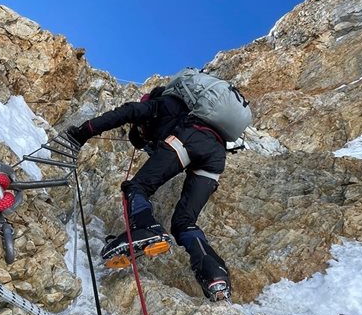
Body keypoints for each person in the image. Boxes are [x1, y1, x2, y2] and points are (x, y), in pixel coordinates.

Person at [65, 84, 236, 302]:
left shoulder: (158, 104)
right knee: (184, 222)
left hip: (188, 139)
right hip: (215, 155)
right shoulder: (188, 111)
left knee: (136, 187)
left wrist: (84, 132)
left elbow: (123, 112)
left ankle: (146, 227)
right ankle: (215, 276)